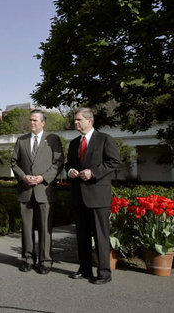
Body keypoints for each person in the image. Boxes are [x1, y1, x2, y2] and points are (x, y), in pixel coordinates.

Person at [65, 108, 120, 284]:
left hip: (97, 196)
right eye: (75, 120)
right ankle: (85, 269)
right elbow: (68, 164)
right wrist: (70, 170)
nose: (76, 123)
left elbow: (114, 162)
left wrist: (93, 172)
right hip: (79, 196)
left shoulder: (104, 139)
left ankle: (104, 273)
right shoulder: (74, 143)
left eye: (79, 120)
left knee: (100, 236)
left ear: (90, 121)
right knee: (81, 236)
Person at [10, 110, 64, 274]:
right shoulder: (21, 140)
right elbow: (14, 162)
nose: (31, 123)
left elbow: (58, 162)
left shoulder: (52, 139)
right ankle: (27, 259)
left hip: (44, 190)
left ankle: (45, 261)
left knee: (45, 227)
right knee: (26, 227)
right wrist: (23, 176)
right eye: (30, 120)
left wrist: (42, 178)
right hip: (26, 190)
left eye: (35, 120)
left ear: (43, 122)